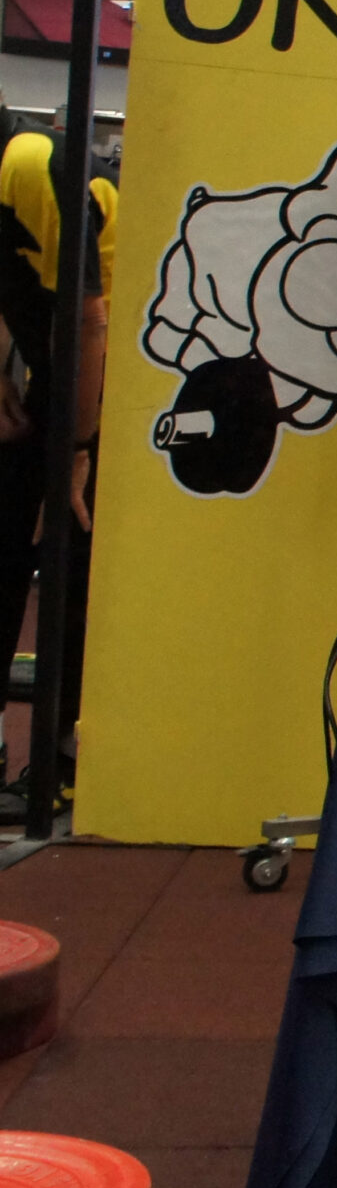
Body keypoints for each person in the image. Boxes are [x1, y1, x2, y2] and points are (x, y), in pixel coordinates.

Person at [0, 95, 117, 825]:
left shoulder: (31, 163)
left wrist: (75, 449)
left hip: (109, 380)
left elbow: (90, 320)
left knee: (69, 553)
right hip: (54, 369)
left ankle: (65, 760)